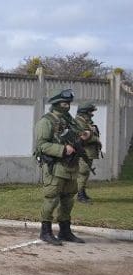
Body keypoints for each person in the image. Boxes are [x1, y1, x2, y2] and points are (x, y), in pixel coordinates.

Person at [33, 88, 89, 245]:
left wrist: (84, 136)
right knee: (51, 200)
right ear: (56, 103)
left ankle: (65, 231)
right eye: (64, 103)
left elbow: (80, 135)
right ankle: (46, 232)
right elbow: (41, 145)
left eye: (69, 104)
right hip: (55, 168)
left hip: (70, 167)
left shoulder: (70, 121)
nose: (67, 106)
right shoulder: (46, 122)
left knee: (68, 200)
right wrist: (63, 149)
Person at [73, 102, 102, 203]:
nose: (92, 113)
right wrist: (95, 138)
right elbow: (82, 137)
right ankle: (80, 195)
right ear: (85, 112)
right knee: (83, 173)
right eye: (90, 111)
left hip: (88, 152)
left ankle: (82, 192)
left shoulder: (85, 121)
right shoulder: (79, 122)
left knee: (85, 173)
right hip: (84, 152)